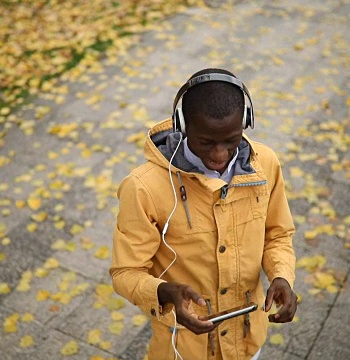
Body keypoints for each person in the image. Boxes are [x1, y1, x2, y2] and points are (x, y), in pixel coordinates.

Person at [110, 68, 297, 359]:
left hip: (249, 341)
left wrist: (282, 275)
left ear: (246, 124)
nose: (220, 154)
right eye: (206, 142)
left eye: (231, 140)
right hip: (183, 349)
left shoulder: (267, 164)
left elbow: (278, 234)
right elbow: (125, 272)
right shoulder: (143, 187)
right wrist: (163, 292)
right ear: (182, 125)